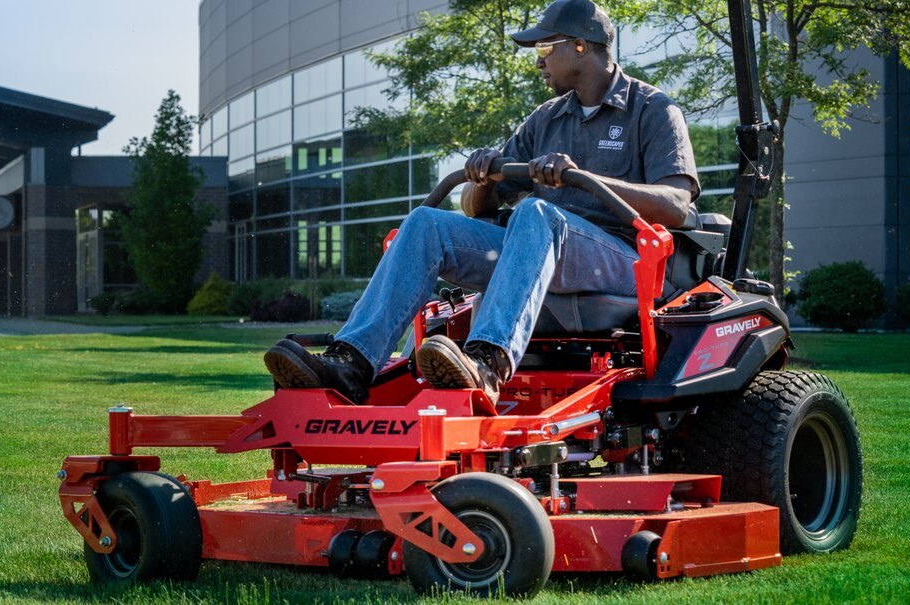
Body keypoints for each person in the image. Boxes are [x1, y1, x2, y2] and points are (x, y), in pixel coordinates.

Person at [264, 0, 700, 404]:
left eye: (545, 46)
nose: (538, 59)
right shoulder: (545, 119)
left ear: (581, 46)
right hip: (539, 247)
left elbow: (676, 204)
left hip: (625, 260)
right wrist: (485, 177)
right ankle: (352, 363)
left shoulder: (653, 110)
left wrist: (583, 178)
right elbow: (477, 208)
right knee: (426, 223)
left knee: (535, 212)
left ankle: (487, 362)